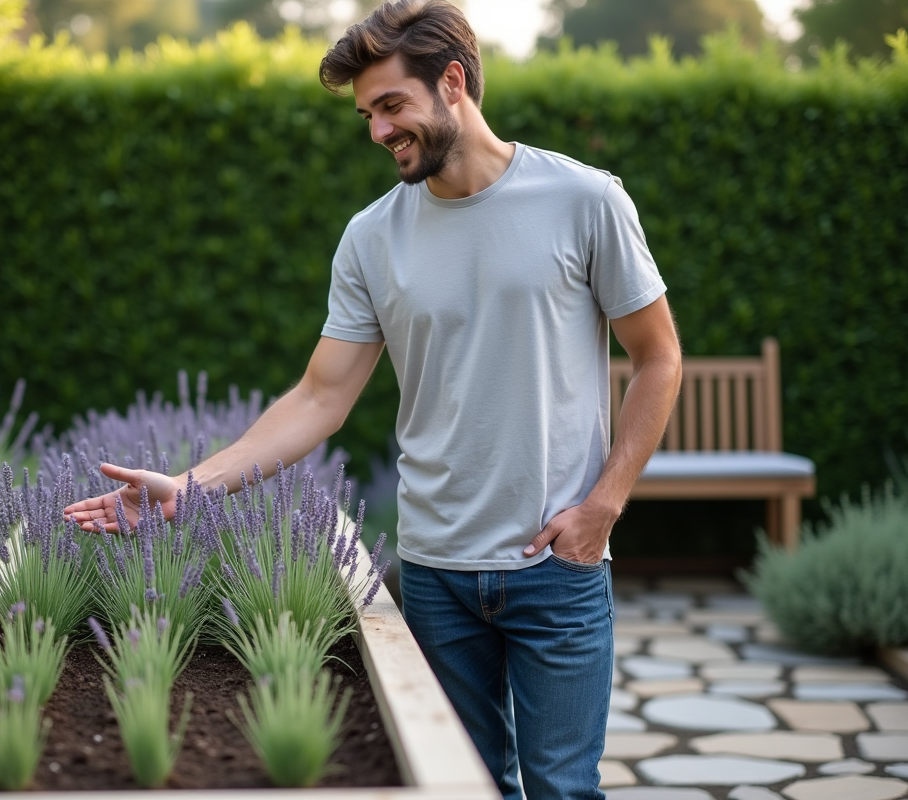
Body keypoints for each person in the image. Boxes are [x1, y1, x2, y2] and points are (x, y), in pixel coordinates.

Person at [64, 1, 682, 797]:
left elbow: (658, 358)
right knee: (462, 785)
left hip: (555, 566)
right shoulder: (371, 237)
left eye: (391, 105)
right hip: (434, 573)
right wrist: (191, 488)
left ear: (452, 82)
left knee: (564, 790)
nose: (377, 131)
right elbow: (320, 397)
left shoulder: (585, 200)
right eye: (366, 114)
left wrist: (604, 507)